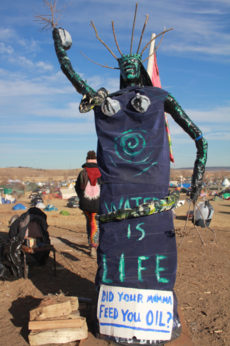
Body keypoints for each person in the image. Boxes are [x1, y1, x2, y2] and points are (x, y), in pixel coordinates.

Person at [51, 5, 208, 344]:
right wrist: (59, 50)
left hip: (143, 199)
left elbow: (200, 140)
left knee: (143, 261)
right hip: (123, 201)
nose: (128, 72)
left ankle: (145, 320)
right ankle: (123, 318)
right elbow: (201, 141)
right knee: (119, 259)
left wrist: (196, 187)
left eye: (132, 67)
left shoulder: (157, 98)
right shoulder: (112, 102)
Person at [75, 151, 101, 258]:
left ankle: (90, 243)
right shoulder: (101, 172)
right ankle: (93, 247)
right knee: (95, 225)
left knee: (89, 223)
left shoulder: (82, 172)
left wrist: (82, 197)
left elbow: (77, 188)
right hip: (97, 203)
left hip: (85, 204)